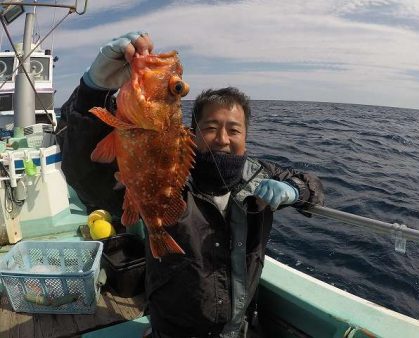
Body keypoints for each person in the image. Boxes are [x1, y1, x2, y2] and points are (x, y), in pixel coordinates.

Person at [57, 32, 325, 338]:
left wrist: (296, 190)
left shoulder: (261, 175)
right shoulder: (176, 178)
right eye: (210, 128)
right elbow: (85, 176)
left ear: (246, 137)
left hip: (237, 330)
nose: (223, 139)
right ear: (192, 133)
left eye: (234, 130)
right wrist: (94, 89)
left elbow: (312, 185)